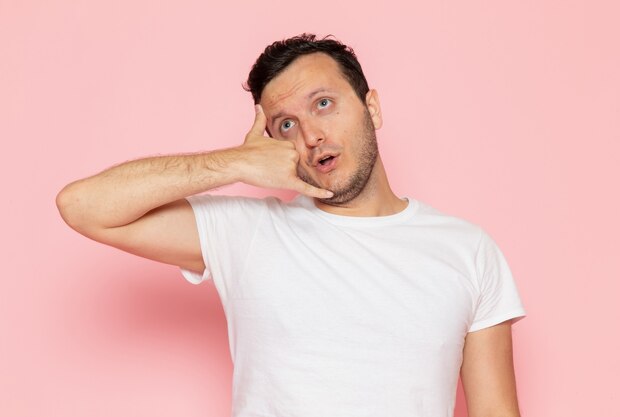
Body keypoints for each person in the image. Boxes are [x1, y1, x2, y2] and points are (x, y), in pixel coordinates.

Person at [56, 33, 526, 417]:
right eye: (285, 125)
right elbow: (83, 205)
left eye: (323, 104)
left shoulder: (467, 249)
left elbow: (496, 411)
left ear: (372, 109)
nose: (310, 135)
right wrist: (234, 164)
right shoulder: (245, 233)